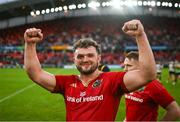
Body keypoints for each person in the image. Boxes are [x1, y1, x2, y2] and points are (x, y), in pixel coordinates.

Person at [24, 19, 156, 121]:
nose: (85, 59)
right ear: (74, 59)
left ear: (99, 58)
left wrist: (140, 35)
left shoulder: (112, 80)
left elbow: (148, 74)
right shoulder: (66, 83)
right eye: (80, 56)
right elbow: (35, 73)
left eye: (90, 55)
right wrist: (30, 44)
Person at [123, 51, 180, 121]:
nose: (125, 69)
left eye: (129, 66)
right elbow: (131, 110)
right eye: (124, 66)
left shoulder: (153, 85)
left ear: (141, 66)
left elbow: (175, 111)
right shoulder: (129, 83)